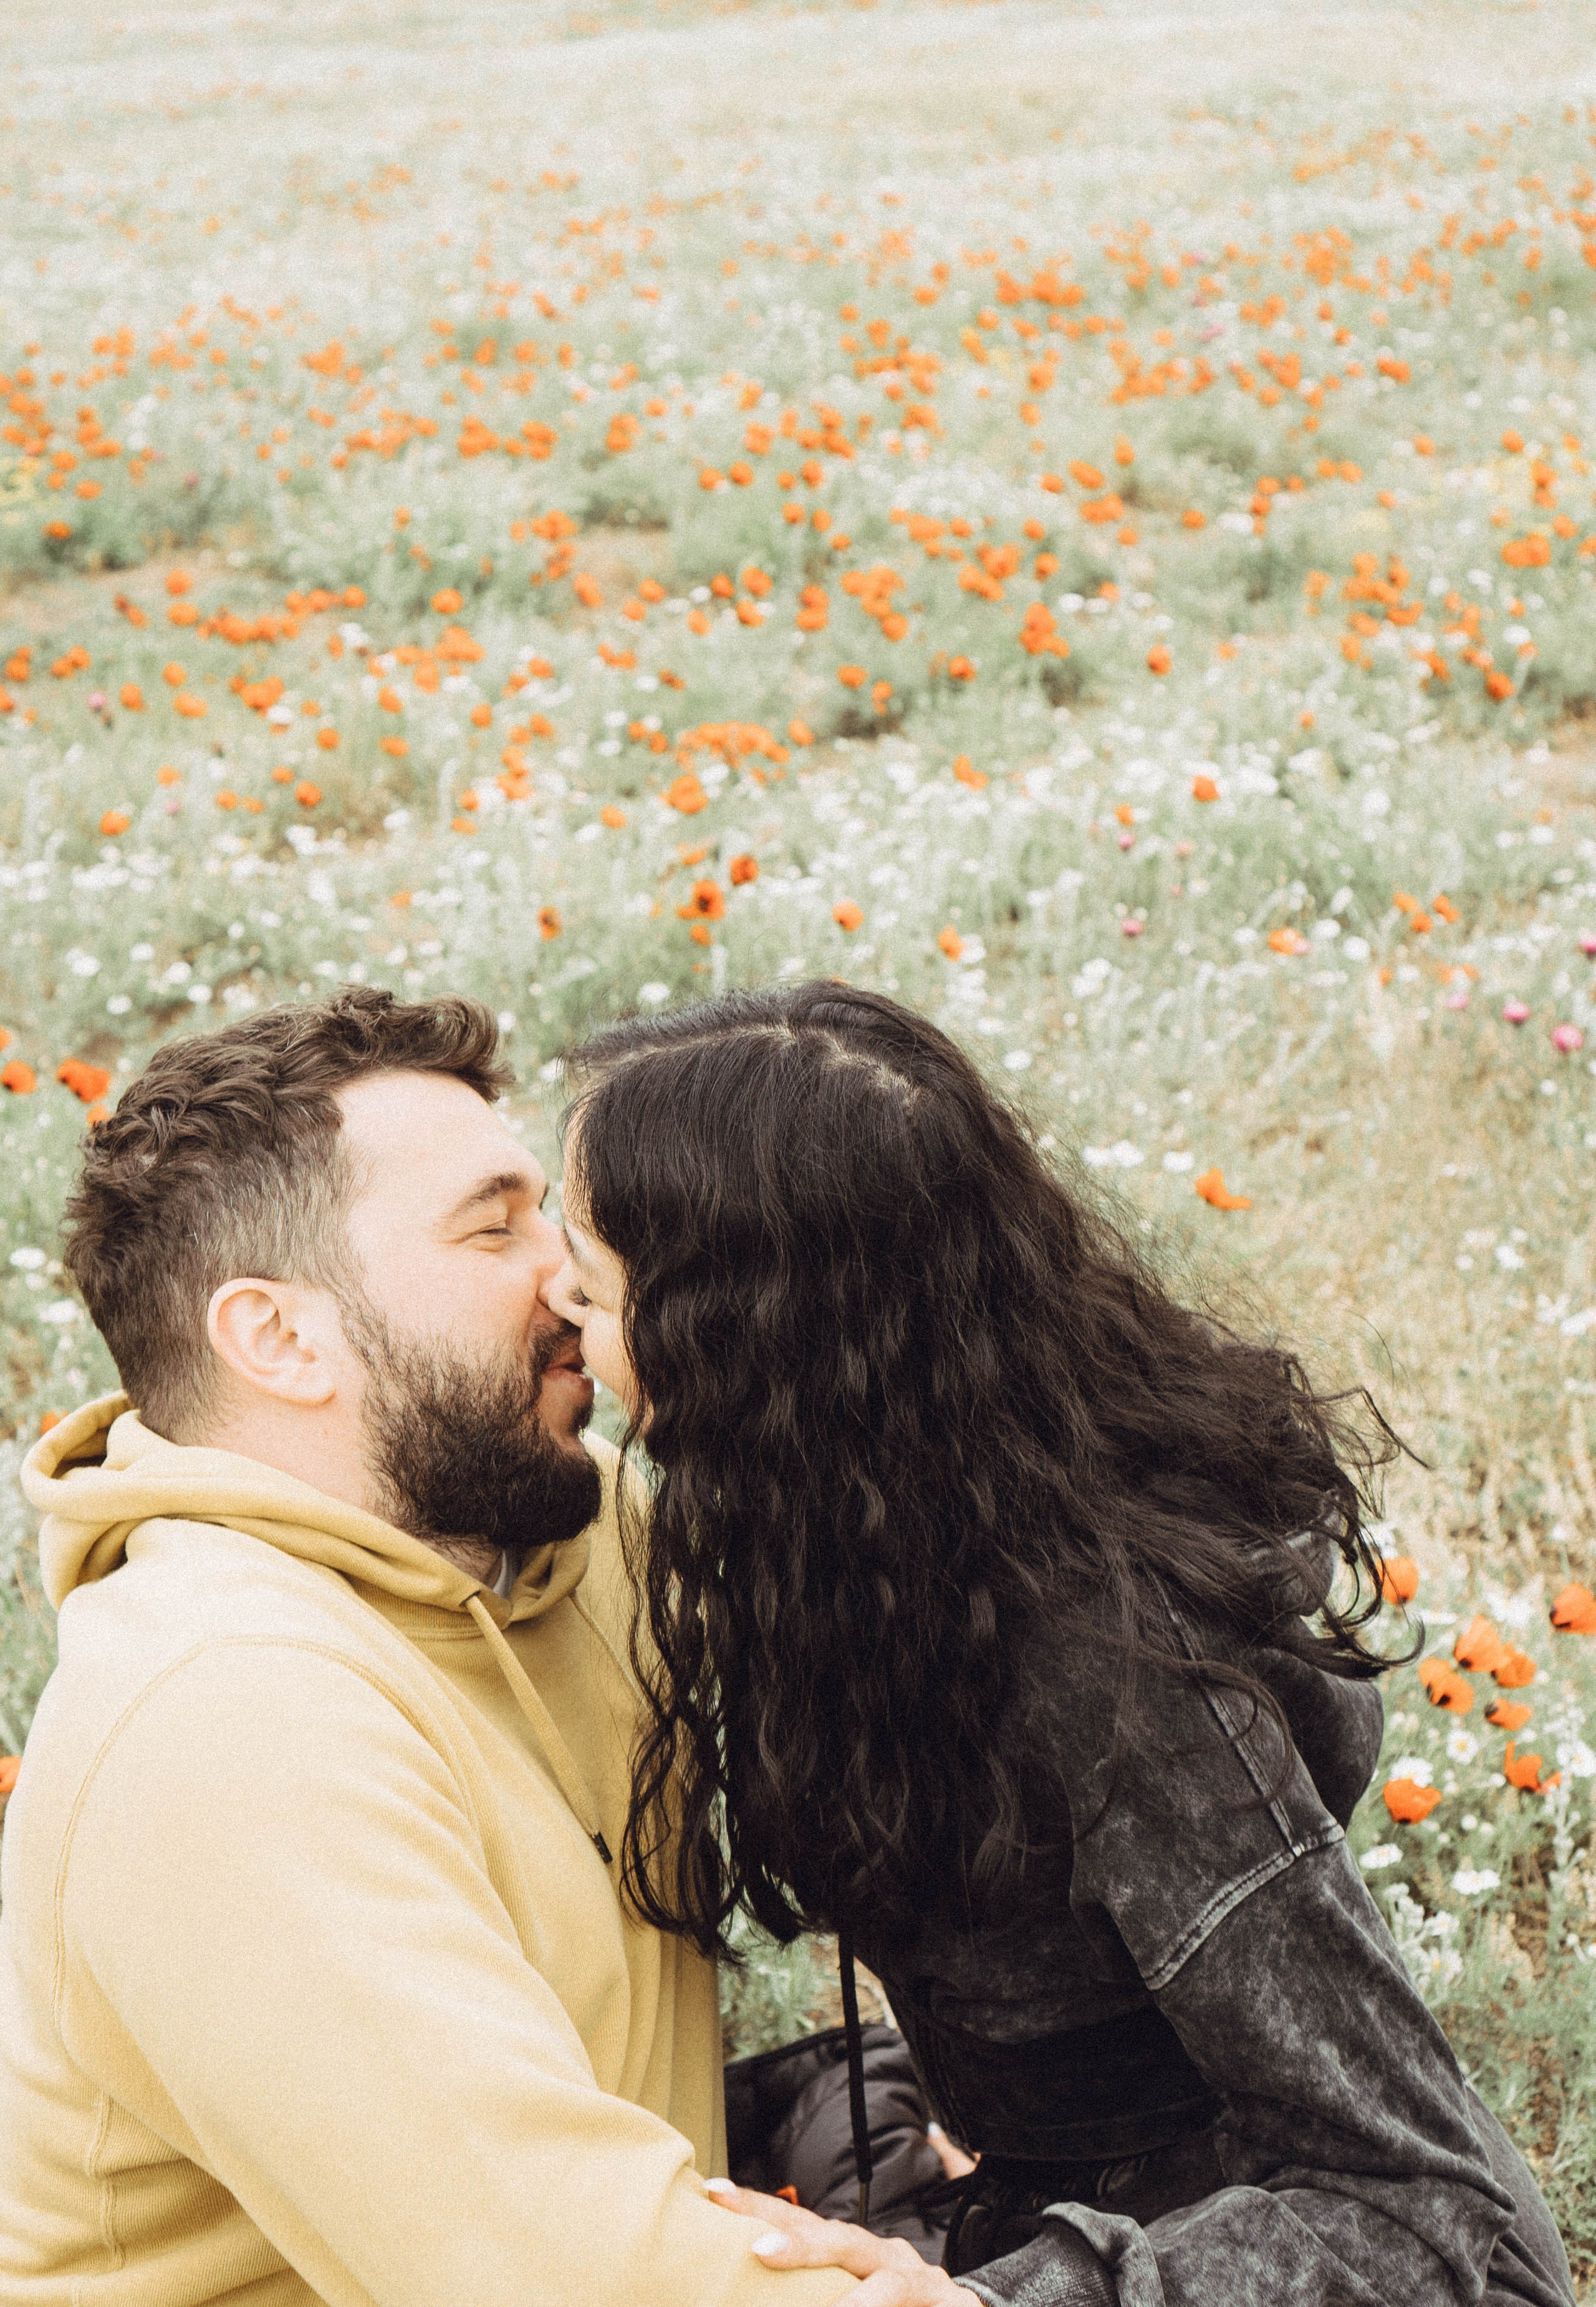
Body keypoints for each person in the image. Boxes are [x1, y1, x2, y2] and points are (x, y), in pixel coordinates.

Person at [548, 980, 1577, 2307]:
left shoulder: (1114, 1673)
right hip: (1036, 2186)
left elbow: (1420, 2207)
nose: (554, 1314)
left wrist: (1001, 2297)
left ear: (742, 1344)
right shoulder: (833, 1524)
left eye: (588, 1289)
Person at [0, 988, 978, 2307]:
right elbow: (554, 2277)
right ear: (280, 1337)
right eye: (494, 1226)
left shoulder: (561, 1532)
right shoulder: (221, 1723)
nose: (570, 1274)